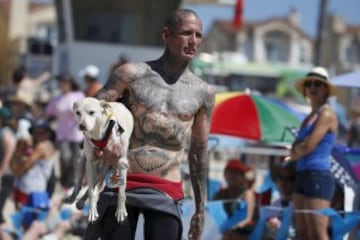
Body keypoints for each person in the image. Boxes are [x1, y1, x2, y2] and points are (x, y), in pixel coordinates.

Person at [83, 9, 214, 240]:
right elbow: (90, 112)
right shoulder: (130, 75)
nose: (193, 41)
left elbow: (199, 152)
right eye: (186, 33)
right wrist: (105, 141)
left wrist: (201, 209)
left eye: (198, 35)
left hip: (167, 190)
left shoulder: (203, 92)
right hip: (122, 181)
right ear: (166, 34)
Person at [287, 66, 338, 240]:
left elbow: (308, 146)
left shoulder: (327, 114)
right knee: (304, 233)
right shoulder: (310, 117)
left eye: (318, 84)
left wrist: (292, 154)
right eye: (309, 84)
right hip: (303, 174)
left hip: (318, 175)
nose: (313, 87)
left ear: (326, 90)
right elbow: (297, 147)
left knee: (318, 233)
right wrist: (295, 152)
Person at [10, 121, 57, 229]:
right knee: (25, 220)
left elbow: (28, 163)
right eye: (36, 133)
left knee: (27, 220)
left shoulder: (43, 146)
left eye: (42, 133)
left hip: (31, 188)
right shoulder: (43, 145)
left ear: (48, 134)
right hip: (30, 186)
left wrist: (16, 172)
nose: (38, 135)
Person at [45, 74, 84, 189]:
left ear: (70, 84)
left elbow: (84, 111)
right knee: (65, 158)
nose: (62, 85)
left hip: (76, 134)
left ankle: (71, 183)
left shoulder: (78, 95)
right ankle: (64, 180)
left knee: (75, 161)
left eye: (64, 83)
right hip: (62, 134)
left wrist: (77, 113)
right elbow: (48, 112)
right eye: (60, 83)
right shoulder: (57, 98)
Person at [213, 159, 256, 240]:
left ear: (242, 177)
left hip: (242, 233)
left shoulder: (247, 194)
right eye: (229, 172)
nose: (232, 176)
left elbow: (249, 219)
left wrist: (233, 228)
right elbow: (214, 215)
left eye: (236, 173)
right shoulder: (219, 194)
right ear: (225, 174)